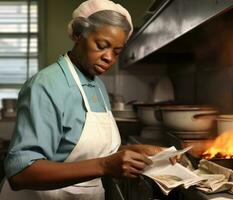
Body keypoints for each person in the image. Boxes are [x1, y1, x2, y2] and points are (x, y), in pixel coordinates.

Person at [0, 0, 166, 199]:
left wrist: (135, 151)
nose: (109, 58)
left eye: (116, 52)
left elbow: (83, 151)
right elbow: (21, 174)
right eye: (102, 45)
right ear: (79, 35)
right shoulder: (46, 85)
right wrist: (104, 165)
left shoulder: (96, 84)